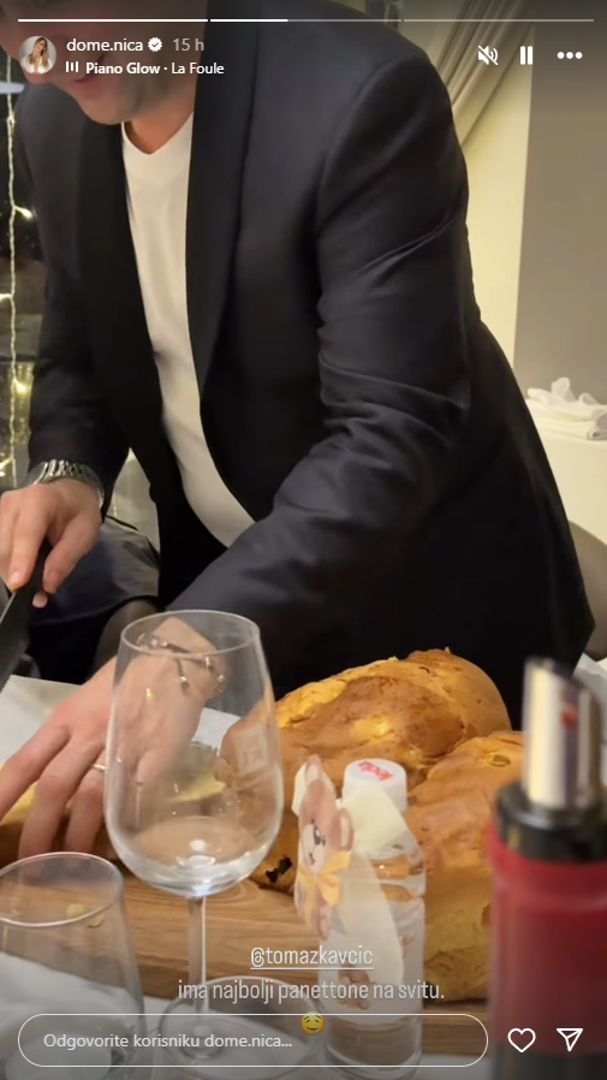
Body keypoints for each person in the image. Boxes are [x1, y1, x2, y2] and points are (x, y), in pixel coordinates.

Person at [0, 0, 593, 859]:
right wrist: (68, 469)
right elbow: (83, 340)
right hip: (244, 606)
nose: (39, 50)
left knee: (427, 913)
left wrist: (190, 642)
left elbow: (389, 433)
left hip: (440, 613)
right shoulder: (52, 119)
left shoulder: (358, 94)